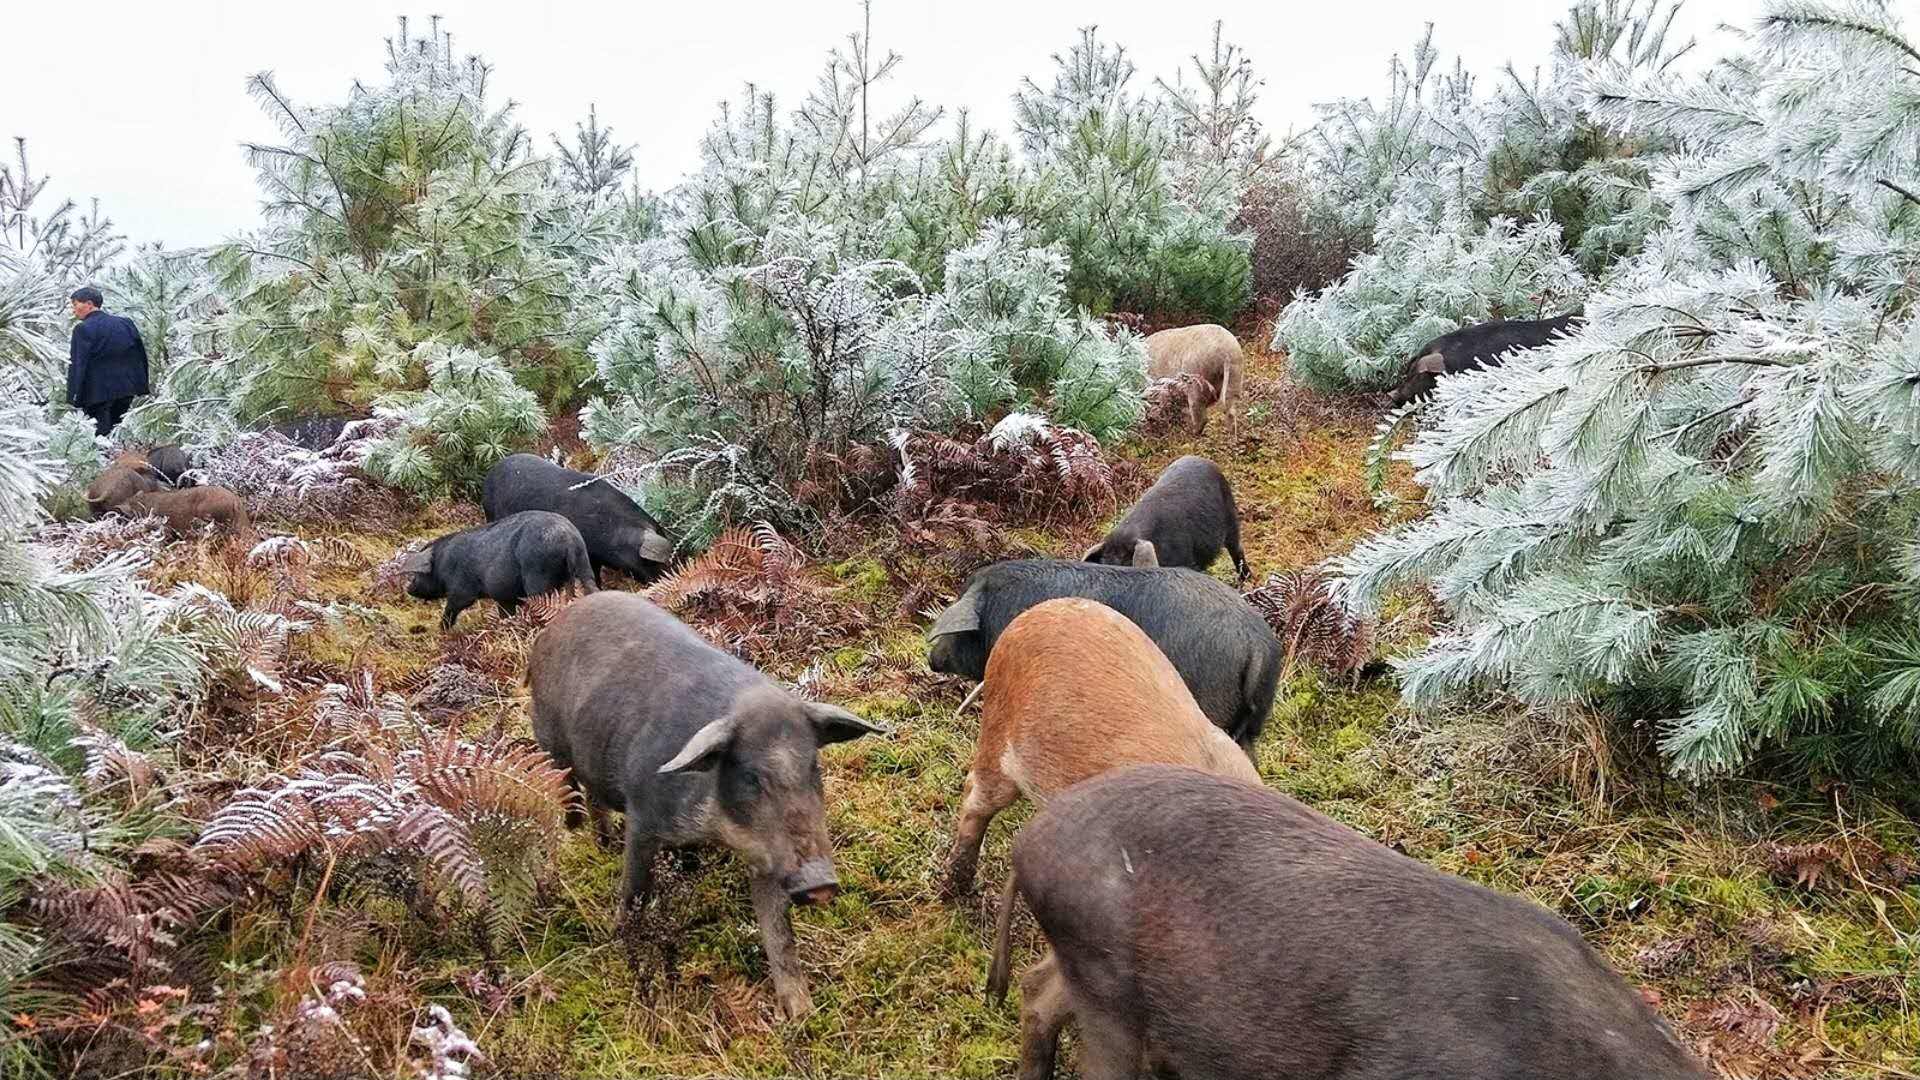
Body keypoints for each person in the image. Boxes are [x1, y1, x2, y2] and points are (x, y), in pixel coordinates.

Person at [66, 285, 149, 438]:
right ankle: (121, 459)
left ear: (89, 304)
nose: (73, 310)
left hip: (96, 394)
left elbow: (78, 364)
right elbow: (139, 355)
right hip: (126, 390)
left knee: (99, 438)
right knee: (118, 432)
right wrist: (142, 385)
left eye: (75, 304)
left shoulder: (82, 329)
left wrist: (73, 397)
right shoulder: (125, 323)